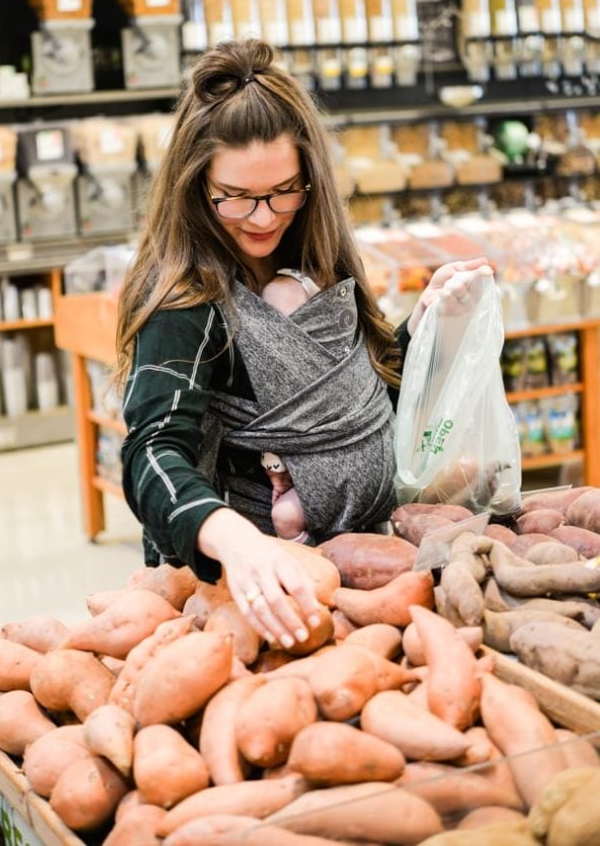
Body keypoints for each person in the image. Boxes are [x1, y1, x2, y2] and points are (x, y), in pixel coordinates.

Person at [116, 38, 491, 650]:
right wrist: (233, 540)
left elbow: (354, 399)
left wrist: (428, 328)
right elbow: (152, 450)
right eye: (234, 197)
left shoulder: (314, 260)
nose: (263, 218)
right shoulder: (186, 299)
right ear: (194, 186)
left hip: (367, 561)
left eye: (283, 191)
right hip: (261, 587)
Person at [259, 269, 322, 545]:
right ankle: (309, 553)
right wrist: (278, 479)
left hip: (333, 470)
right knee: (285, 517)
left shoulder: (331, 365)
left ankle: (314, 555)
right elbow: (271, 443)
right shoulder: (269, 377)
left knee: (285, 516)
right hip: (299, 471)